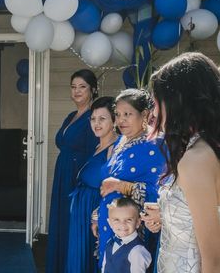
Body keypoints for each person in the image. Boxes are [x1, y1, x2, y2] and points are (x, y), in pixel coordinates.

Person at [150, 52, 220, 273]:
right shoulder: (219, 152)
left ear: (180, 102)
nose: (155, 112)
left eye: (157, 102)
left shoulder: (195, 160)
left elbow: (214, 259)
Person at [96, 88, 166, 268]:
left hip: (132, 234)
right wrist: (98, 216)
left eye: (127, 114)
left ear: (144, 114)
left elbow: (160, 195)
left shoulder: (155, 144)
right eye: (118, 115)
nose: (121, 120)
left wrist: (122, 186)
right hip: (112, 226)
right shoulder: (121, 141)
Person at [46, 69, 100, 273]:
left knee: (72, 227)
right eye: (73, 87)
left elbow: (95, 152)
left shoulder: (92, 118)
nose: (76, 91)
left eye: (82, 87)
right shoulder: (71, 115)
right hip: (63, 176)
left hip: (76, 178)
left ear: (92, 90)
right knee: (61, 224)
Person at [66, 96, 117, 273]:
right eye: (93, 119)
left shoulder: (115, 148)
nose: (96, 123)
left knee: (90, 259)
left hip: (94, 209)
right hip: (81, 211)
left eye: (102, 119)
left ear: (114, 120)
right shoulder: (97, 146)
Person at [102, 197, 152, 273]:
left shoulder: (137, 251)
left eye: (128, 220)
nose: (122, 224)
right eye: (116, 220)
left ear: (138, 222)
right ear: (110, 223)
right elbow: (104, 268)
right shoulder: (110, 242)